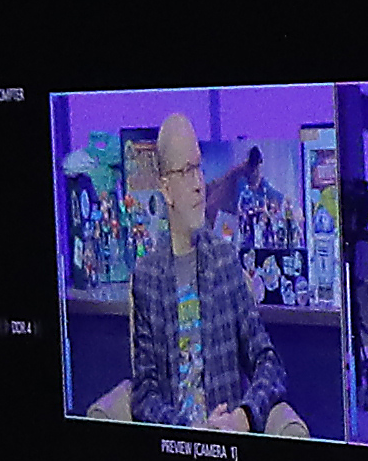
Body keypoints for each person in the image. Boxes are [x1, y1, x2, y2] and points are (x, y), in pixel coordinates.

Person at [97, 125, 298, 435]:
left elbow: (268, 362)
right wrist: (188, 429)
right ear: (165, 189)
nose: (198, 185)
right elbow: (145, 390)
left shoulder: (224, 260)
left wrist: (243, 417)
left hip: (228, 442)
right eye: (186, 171)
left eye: (199, 169)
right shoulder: (148, 276)